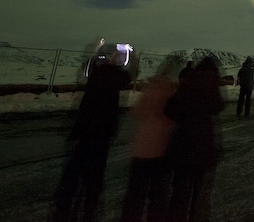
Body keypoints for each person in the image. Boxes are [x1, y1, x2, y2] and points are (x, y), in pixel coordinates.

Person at [52, 43, 132, 222]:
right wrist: (129, 56)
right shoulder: (113, 75)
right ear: (112, 57)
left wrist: (98, 50)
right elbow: (127, 76)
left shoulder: (96, 72)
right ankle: (89, 205)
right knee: (95, 170)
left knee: (75, 165)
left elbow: (87, 68)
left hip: (85, 126)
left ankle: (64, 203)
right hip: (101, 129)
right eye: (115, 55)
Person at [164, 56, 225, 221]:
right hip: (204, 144)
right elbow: (218, 106)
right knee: (199, 193)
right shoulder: (213, 87)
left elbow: (170, 109)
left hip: (183, 143)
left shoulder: (189, 84)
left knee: (180, 191)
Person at [120, 68, 176, 222]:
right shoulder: (170, 94)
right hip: (162, 148)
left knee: (135, 193)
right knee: (158, 195)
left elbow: (136, 113)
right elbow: (174, 118)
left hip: (142, 148)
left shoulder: (148, 90)